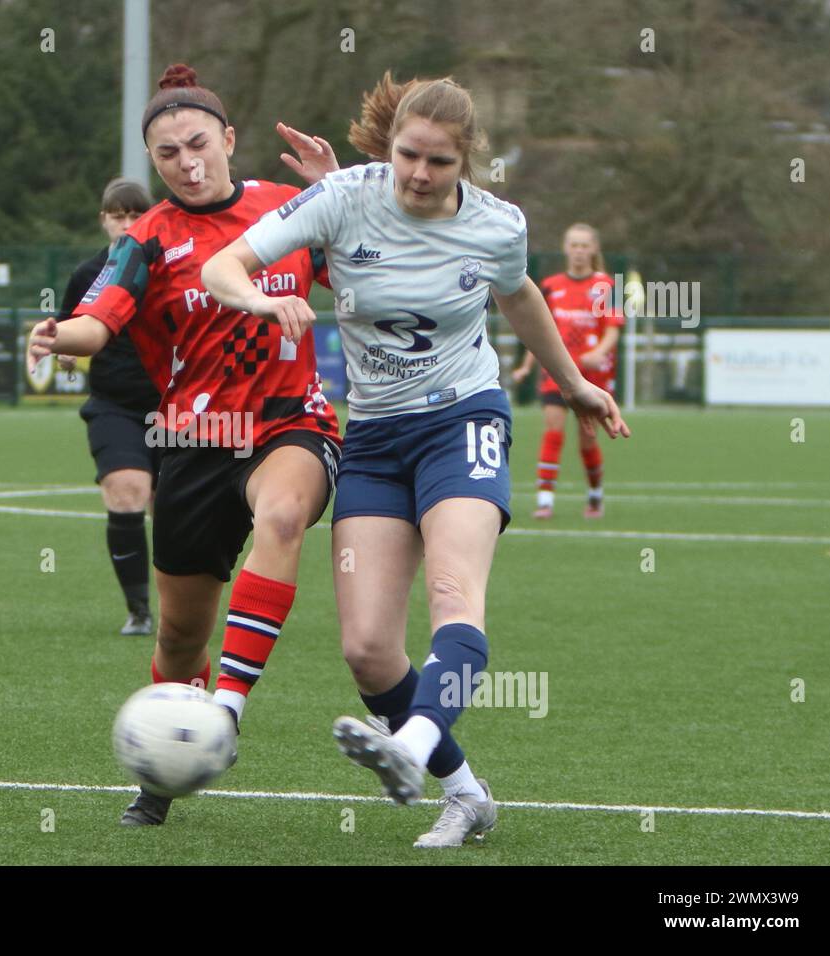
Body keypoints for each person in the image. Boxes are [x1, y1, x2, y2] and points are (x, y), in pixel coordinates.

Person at [202, 73, 630, 847]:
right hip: (371, 436)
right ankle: (465, 793)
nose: (420, 176)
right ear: (388, 143)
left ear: (467, 160)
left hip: (462, 419)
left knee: (453, 592)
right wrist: (263, 300)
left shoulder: (500, 226)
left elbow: (520, 294)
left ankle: (412, 746)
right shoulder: (344, 196)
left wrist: (574, 385)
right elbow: (221, 265)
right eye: (408, 156)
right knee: (367, 650)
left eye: (439, 162)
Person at [28, 64, 343, 826]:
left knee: (282, 519)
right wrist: (54, 334)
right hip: (194, 440)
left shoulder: (289, 207)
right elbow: (98, 324)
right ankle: (163, 775)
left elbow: (366, 270)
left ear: (229, 139)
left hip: (288, 420)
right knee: (178, 636)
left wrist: (344, 196)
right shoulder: (145, 239)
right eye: (168, 155)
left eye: (199, 143)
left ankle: (226, 713)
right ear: (153, 164)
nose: (188, 162)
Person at [56, 177, 160, 635]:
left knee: (176, 514)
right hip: (114, 406)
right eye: (118, 215)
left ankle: (180, 611)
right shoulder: (86, 275)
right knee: (126, 492)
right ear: (104, 221)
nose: (127, 223)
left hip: (177, 410)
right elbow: (68, 333)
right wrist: (58, 346)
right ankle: (138, 609)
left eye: (137, 214)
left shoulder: (171, 269)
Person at [512, 223, 623, 519]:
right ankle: (545, 501)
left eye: (584, 245)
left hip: (593, 377)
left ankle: (595, 495)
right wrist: (525, 367)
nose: (578, 251)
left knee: (587, 441)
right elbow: (540, 333)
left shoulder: (608, 286)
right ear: (565, 248)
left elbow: (613, 330)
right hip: (556, 373)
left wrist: (598, 352)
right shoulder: (550, 286)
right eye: (573, 245)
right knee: (553, 430)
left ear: (594, 249)